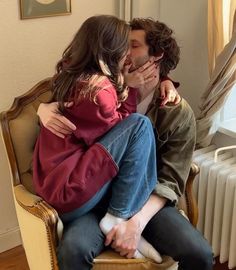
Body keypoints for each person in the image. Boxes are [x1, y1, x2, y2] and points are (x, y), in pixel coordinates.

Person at [37, 18, 214, 270]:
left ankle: (124, 221)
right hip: (93, 195)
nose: (123, 51)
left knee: (200, 254)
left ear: (156, 57)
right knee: (73, 251)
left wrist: (136, 224)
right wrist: (42, 111)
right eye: (122, 44)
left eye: (132, 45)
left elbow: (170, 182)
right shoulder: (99, 83)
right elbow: (64, 113)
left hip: (142, 201)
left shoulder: (177, 113)